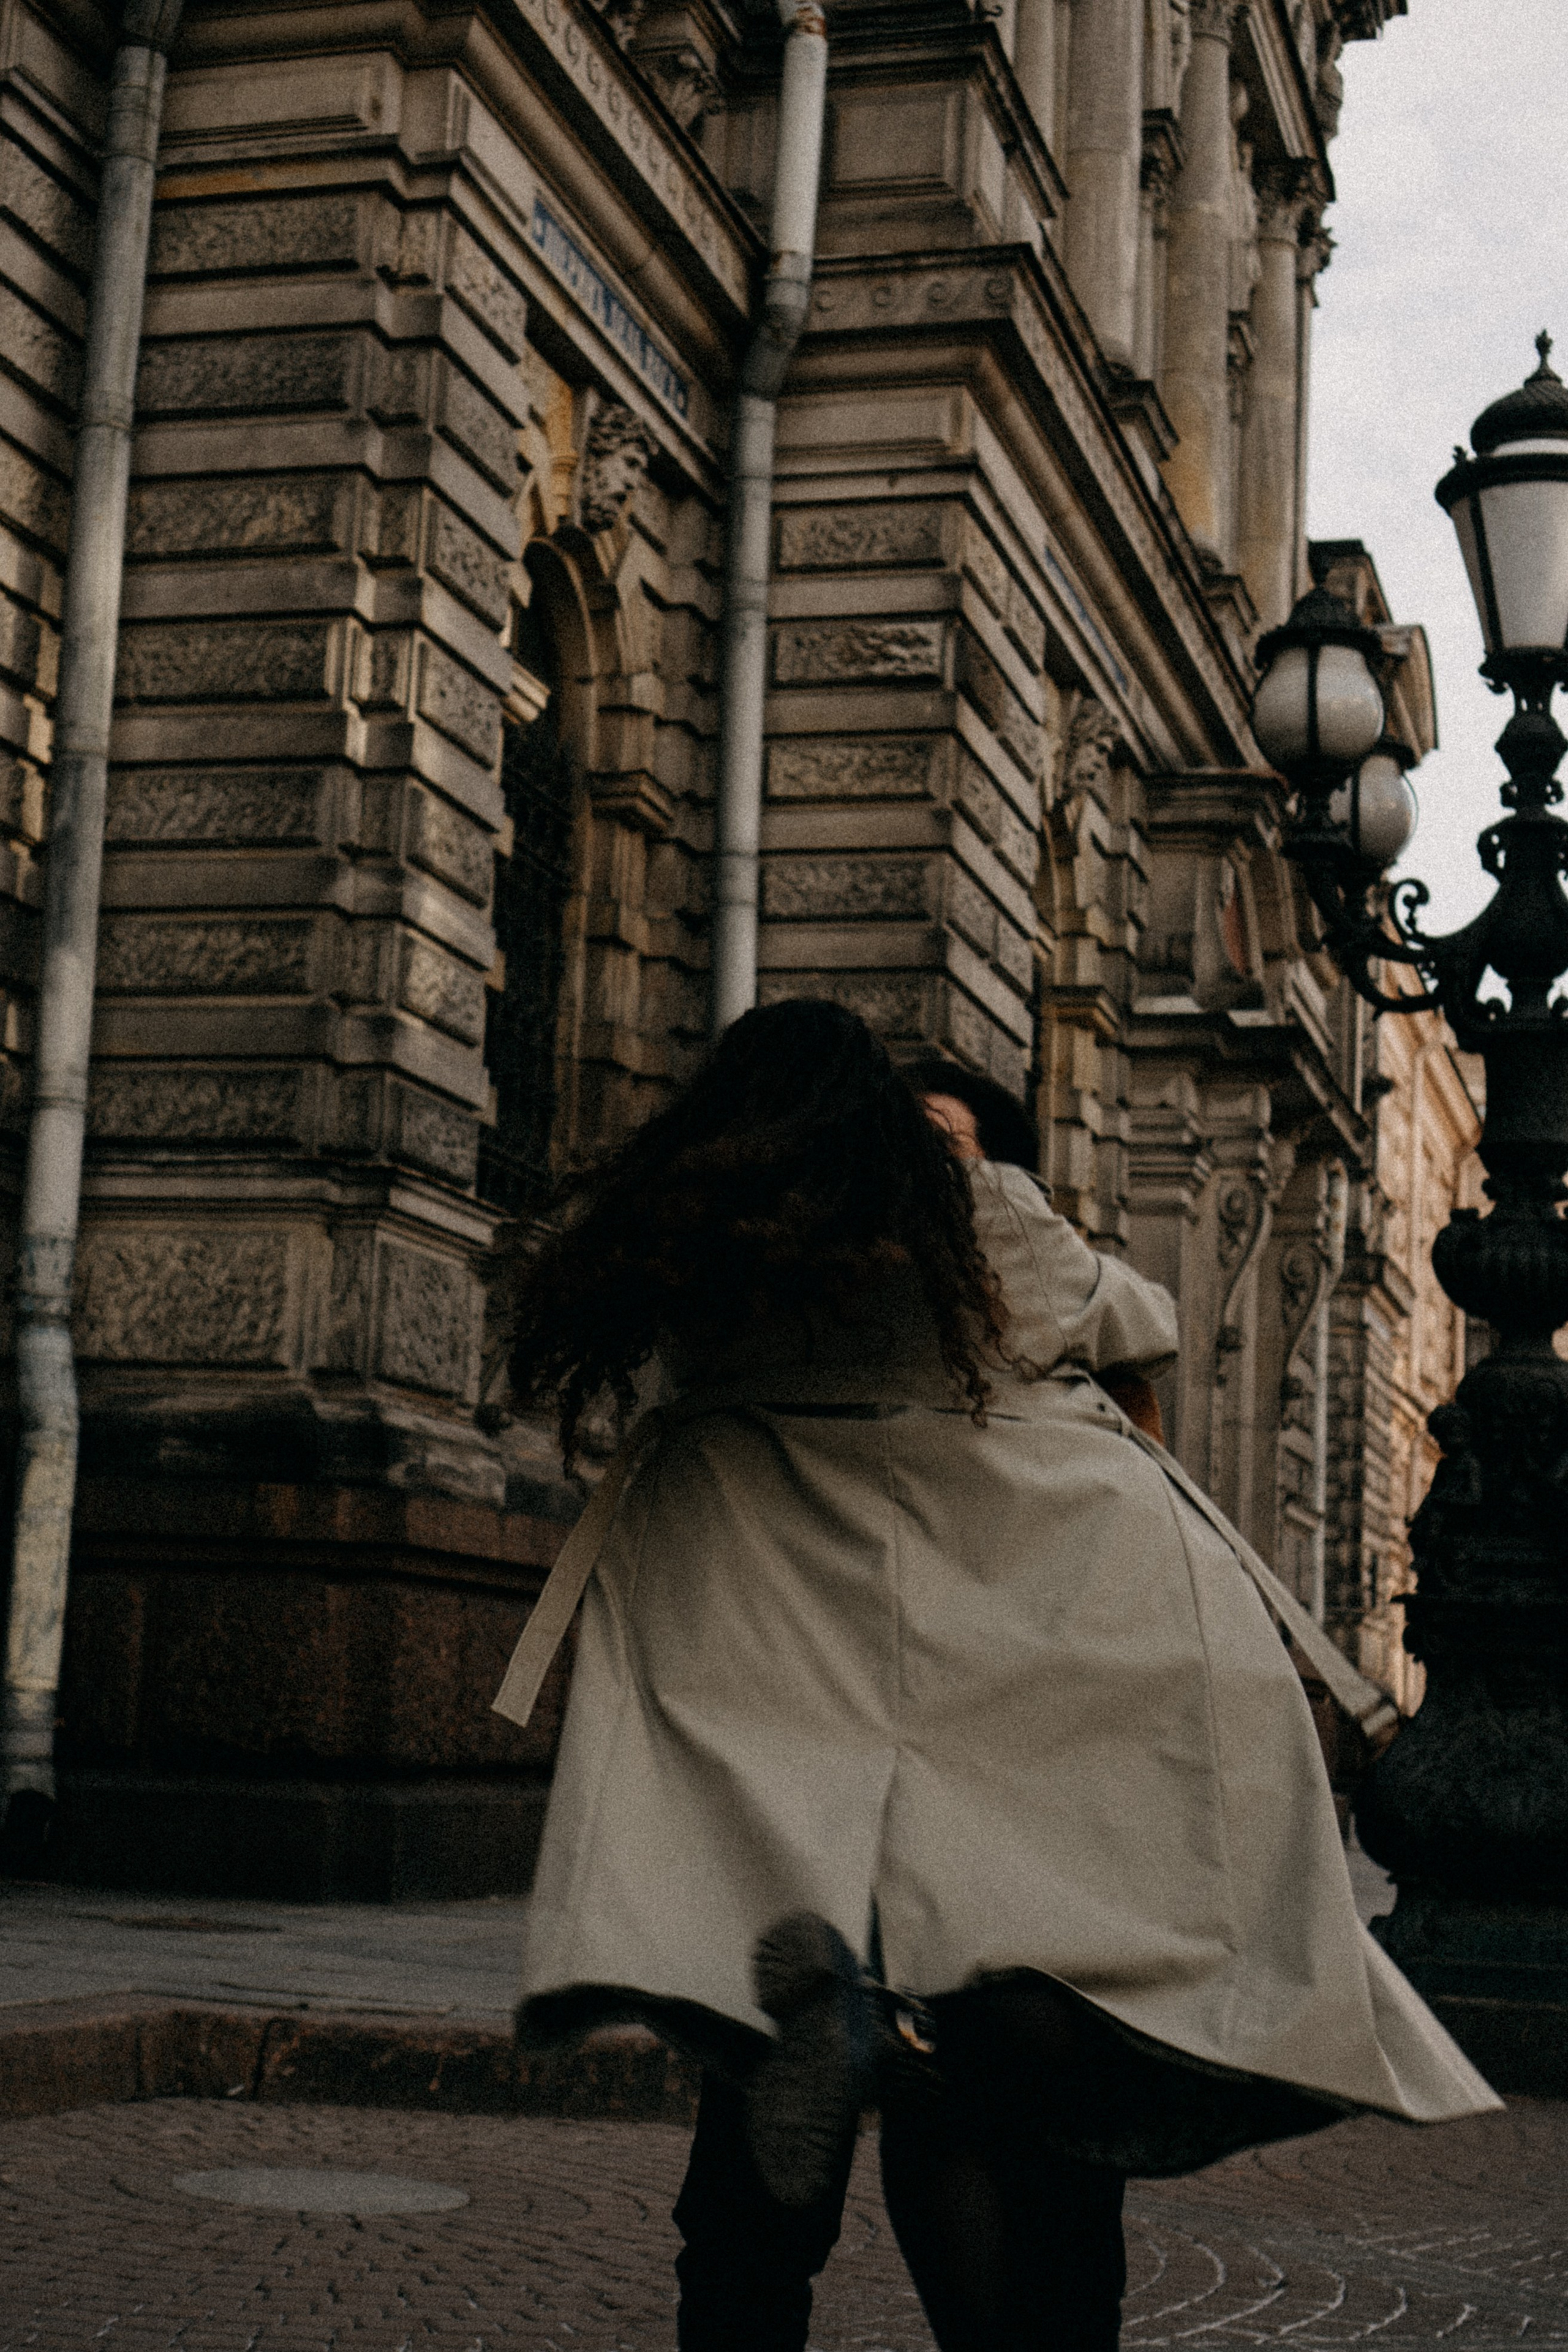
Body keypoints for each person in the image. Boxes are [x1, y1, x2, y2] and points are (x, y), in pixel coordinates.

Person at [496, 999, 1497, 2352]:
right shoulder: (992, 1223)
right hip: (1022, 1632)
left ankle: (835, 2032)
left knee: (769, 2029)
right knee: (1014, 2088)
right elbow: (1133, 1316)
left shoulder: (699, 1244)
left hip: (767, 1626)